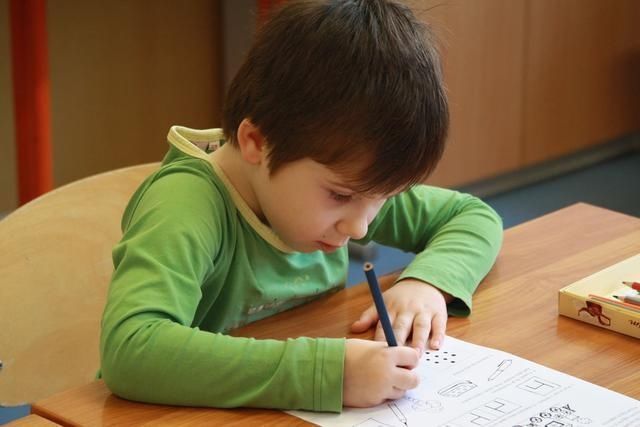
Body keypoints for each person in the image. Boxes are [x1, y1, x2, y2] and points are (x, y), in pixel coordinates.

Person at [99, 0, 503, 413]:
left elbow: (472, 217)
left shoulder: (339, 183)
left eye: (382, 199)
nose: (360, 229)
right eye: (341, 196)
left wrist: (427, 282)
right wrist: (323, 374)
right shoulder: (186, 205)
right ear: (257, 143)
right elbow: (132, 349)